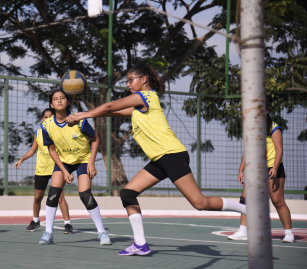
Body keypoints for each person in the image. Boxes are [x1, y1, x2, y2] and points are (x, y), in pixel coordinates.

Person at [66, 64, 247, 256]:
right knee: (127, 194)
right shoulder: (140, 105)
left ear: (143, 79)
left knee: (199, 203)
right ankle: (140, 244)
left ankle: (247, 210)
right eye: (127, 81)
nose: (128, 84)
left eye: (130, 80)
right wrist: (80, 115)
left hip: (171, 155)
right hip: (161, 158)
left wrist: (85, 114)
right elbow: (113, 112)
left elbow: (111, 105)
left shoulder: (145, 96)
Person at [38, 89, 111, 245]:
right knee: (53, 193)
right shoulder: (47, 126)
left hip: (83, 159)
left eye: (62, 98)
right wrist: (64, 171)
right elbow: (51, 149)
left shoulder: (80, 120)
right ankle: (48, 233)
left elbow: (95, 139)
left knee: (85, 195)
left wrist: (91, 162)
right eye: (55, 99)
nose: (59, 100)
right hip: (63, 161)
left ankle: (102, 232)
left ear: (68, 102)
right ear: (51, 104)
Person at [228, 110, 294, 243]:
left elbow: (279, 149)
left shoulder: (274, 128)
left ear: (266, 111)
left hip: (273, 168)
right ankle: (242, 231)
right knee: (245, 198)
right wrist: (241, 170)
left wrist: (275, 168)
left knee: (277, 200)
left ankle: (289, 233)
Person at [14, 108, 73, 234]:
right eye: (45, 117)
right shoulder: (38, 132)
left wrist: (68, 168)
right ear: (42, 119)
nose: (47, 119)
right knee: (37, 197)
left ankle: (67, 224)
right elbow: (32, 150)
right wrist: (21, 159)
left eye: (50, 117)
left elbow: (66, 150)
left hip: (56, 168)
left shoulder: (60, 131)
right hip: (41, 169)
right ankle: (35, 221)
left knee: (60, 196)